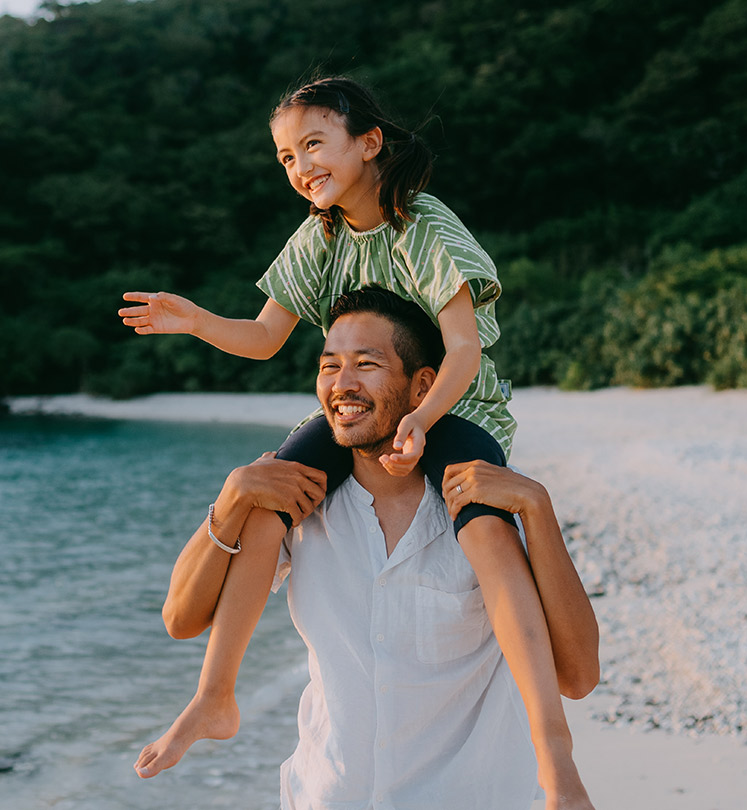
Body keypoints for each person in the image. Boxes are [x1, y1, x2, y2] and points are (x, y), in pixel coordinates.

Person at [121, 75, 529, 780]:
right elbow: (263, 336)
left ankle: (546, 735)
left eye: (313, 143)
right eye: (285, 157)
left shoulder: (423, 223)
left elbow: (463, 348)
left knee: (484, 521)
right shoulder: (319, 236)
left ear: (369, 142)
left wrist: (425, 422)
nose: (300, 165)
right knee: (268, 496)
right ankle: (215, 697)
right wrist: (193, 322)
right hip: (359, 412)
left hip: (454, 405)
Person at [142, 288, 600, 808]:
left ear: (422, 386)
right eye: (329, 366)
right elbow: (180, 618)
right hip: (325, 796)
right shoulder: (299, 503)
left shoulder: (487, 505)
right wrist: (233, 495)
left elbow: (578, 675)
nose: (342, 385)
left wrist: (538, 508)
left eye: (366, 364)